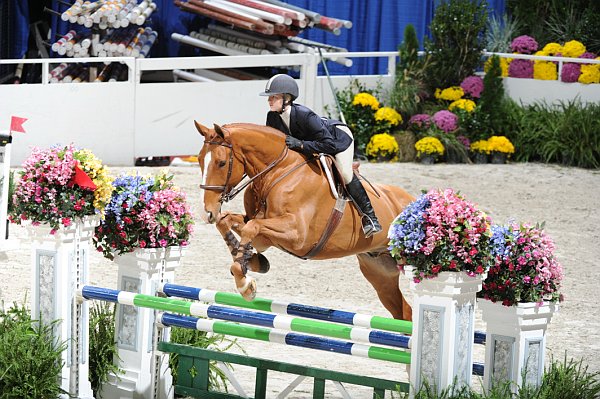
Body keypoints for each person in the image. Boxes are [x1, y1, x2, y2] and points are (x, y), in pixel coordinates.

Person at [259, 73, 382, 237]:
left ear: (286, 98)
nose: (269, 101)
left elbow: (328, 144)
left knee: (345, 173)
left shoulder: (304, 115)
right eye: (269, 97)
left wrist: (301, 144)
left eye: (273, 97)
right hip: (315, 142)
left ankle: (370, 218)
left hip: (337, 138)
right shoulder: (272, 117)